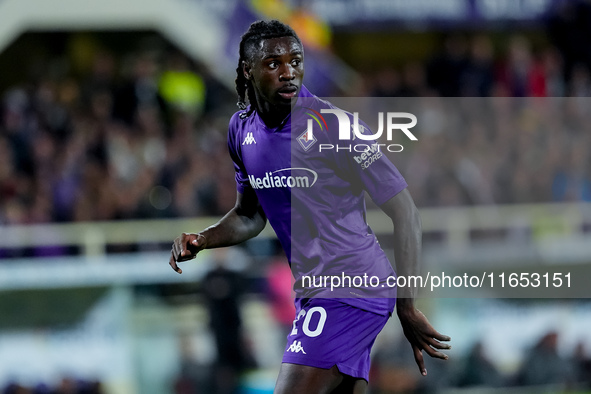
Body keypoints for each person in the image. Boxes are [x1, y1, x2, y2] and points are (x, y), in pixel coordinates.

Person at [169, 20, 451, 394]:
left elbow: (406, 212)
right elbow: (250, 215)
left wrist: (407, 305)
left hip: (352, 285)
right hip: (312, 292)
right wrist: (203, 239)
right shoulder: (241, 130)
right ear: (247, 70)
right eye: (273, 63)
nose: (288, 72)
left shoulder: (335, 127)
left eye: (296, 60)